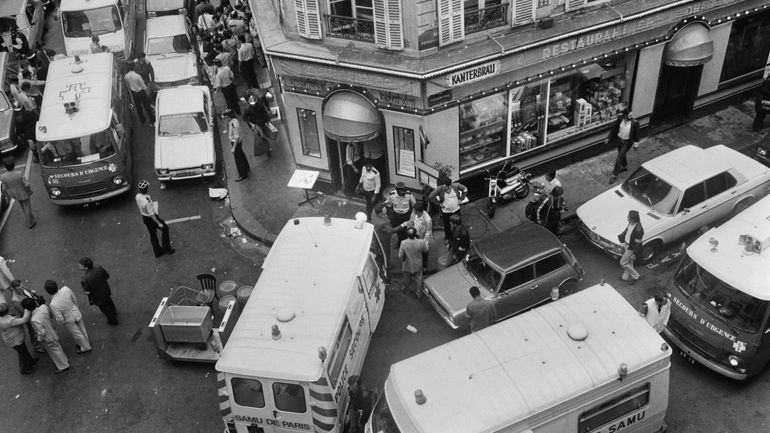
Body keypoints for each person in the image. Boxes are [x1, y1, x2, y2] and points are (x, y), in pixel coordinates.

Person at [21, 298, 70, 373]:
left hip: (48, 337)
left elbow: (41, 332)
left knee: (54, 352)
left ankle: (63, 365)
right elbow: (50, 315)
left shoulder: (34, 319)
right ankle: (64, 360)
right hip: (52, 330)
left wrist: (39, 338)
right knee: (57, 347)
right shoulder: (43, 307)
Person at [45, 280, 92, 354]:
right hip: (75, 311)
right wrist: (76, 308)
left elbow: (59, 318)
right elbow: (74, 299)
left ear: (48, 291)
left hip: (68, 320)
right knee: (82, 328)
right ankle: (86, 341)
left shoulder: (53, 304)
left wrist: (63, 323)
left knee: (77, 334)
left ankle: (85, 347)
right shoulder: (66, 289)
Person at [135, 180, 175, 257]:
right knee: (165, 228)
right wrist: (158, 223)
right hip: (151, 218)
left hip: (145, 218)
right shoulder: (148, 202)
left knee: (153, 235)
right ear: (147, 189)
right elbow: (152, 215)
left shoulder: (137, 196)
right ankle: (166, 248)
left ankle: (157, 252)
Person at [79, 257, 118, 326]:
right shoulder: (98, 267)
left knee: (105, 309)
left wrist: (84, 292)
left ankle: (113, 321)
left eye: (80, 265)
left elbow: (87, 292)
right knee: (109, 301)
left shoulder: (84, 279)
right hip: (106, 290)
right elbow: (107, 276)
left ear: (86, 267)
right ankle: (114, 312)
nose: (79, 265)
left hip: (98, 297)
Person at [9, 280, 45, 353]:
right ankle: (37, 346)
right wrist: (31, 320)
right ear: (14, 289)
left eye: (22, 287)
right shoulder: (15, 300)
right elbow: (23, 313)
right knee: (33, 332)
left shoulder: (23, 288)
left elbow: (27, 291)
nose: (22, 289)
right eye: (19, 289)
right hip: (30, 316)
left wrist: (32, 293)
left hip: (35, 309)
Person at [429, 177, 467, 244]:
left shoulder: (456, 186)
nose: (444, 188)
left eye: (445, 187)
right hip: (446, 211)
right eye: (443, 187)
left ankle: (459, 235)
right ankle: (448, 237)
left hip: (456, 209)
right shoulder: (440, 189)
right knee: (446, 225)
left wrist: (461, 199)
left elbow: (465, 189)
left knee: (458, 223)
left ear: (450, 185)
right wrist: (438, 204)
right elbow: (431, 196)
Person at [0, 303, 35, 374]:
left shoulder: (2, 318)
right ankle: (24, 369)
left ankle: (30, 361)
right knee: (22, 354)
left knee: (24, 351)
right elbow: (24, 320)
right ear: (7, 311)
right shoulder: (10, 321)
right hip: (15, 340)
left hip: (12, 339)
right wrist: (27, 309)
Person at [0, 159, 36, 228]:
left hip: (15, 195)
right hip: (24, 193)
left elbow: (4, 188)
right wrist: (29, 190)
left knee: (23, 207)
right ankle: (30, 223)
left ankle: (31, 218)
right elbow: (27, 184)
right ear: (13, 166)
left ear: (6, 167)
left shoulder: (3, 177)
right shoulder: (19, 173)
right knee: (27, 207)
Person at [607, 109, 640, 184]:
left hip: (627, 142)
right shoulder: (620, 119)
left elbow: (637, 134)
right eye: (630, 115)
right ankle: (624, 166)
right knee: (622, 154)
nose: (631, 116)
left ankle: (614, 175)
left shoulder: (635, 122)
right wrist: (608, 138)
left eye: (631, 115)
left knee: (619, 157)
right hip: (619, 140)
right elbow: (614, 129)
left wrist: (636, 144)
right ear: (625, 115)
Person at [401, 202, 432, 271]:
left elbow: (428, 232)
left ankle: (424, 266)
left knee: (425, 252)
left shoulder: (427, 220)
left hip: (423, 236)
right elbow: (411, 221)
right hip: (415, 233)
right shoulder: (414, 213)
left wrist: (425, 242)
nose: (413, 211)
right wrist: (405, 225)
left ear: (418, 211)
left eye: (414, 210)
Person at [399, 227, 428, 299]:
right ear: (416, 234)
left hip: (407, 264)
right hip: (418, 264)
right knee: (419, 280)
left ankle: (406, 289)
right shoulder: (421, 242)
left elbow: (400, 255)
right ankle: (418, 294)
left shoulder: (403, 243)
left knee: (406, 278)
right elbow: (426, 250)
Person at [618, 210, 643, 284]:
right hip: (627, 244)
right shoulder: (631, 223)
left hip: (630, 248)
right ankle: (625, 277)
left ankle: (636, 276)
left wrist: (633, 252)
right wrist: (623, 242)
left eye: (628, 217)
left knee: (623, 262)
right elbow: (627, 232)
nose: (627, 217)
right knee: (629, 262)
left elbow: (638, 243)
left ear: (633, 219)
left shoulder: (639, 230)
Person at [226, 109, 250, 181]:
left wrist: (233, 147)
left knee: (238, 159)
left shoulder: (233, 124)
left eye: (227, 117)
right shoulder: (234, 120)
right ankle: (246, 167)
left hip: (236, 143)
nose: (226, 119)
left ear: (230, 117)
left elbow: (236, 137)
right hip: (239, 141)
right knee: (241, 155)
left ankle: (243, 174)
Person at [370, 204, 394, 268]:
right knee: (386, 252)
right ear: (380, 213)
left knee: (380, 249)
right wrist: (403, 225)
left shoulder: (374, 211)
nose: (386, 210)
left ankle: (380, 258)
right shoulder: (381, 223)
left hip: (377, 235)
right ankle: (387, 265)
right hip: (383, 239)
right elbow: (391, 230)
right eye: (384, 210)